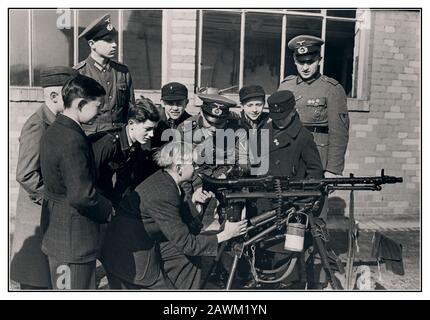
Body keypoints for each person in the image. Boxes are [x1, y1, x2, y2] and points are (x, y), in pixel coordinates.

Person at [100, 141, 247, 289]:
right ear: (179, 168)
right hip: (128, 252)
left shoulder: (168, 180)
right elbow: (187, 244)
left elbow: (183, 224)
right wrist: (225, 234)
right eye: (193, 164)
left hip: (144, 238)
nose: (196, 168)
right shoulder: (163, 193)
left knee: (190, 260)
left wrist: (195, 203)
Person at [39, 74, 114, 290]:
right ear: (81, 103)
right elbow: (82, 195)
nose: (100, 112)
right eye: (97, 106)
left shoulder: (55, 129)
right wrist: (108, 209)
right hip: (73, 242)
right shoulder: (72, 139)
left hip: (59, 232)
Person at [10, 66, 76, 290]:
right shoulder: (37, 124)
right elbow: (26, 174)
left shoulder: (57, 120)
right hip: (37, 217)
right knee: (35, 282)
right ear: (54, 96)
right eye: (70, 93)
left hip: (48, 217)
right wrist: (55, 199)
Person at [252, 90, 324, 289]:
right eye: (275, 117)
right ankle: (264, 283)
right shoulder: (264, 131)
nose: (279, 121)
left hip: (289, 204)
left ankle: (288, 286)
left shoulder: (303, 136)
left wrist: (302, 201)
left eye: (283, 117)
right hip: (264, 200)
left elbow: (315, 172)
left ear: (293, 111)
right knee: (262, 244)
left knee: (285, 250)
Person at [278, 35, 349, 178]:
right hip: (288, 157)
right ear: (294, 61)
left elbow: (339, 133)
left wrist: (333, 170)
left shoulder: (332, 88)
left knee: (313, 199)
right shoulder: (286, 86)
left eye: (310, 62)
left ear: (319, 60)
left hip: (316, 160)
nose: (305, 67)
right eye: (301, 62)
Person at [90, 97, 160, 206]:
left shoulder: (136, 146)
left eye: (154, 130)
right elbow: (89, 179)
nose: (152, 135)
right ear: (131, 124)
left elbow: (123, 181)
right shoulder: (109, 143)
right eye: (147, 129)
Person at [74, 14, 135, 133]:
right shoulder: (79, 73)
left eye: (114, 40)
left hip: (119, 137)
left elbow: (131, 109)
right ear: (92, 44)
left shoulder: (122, 71)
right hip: (92, 138)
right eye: (108, 40)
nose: (114, 45)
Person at [152, 82, 192, 148]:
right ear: (162, 103)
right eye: (170, 103)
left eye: (179, 103)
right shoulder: (153, 120)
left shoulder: (191, 122)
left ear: (186, 103)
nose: (175, 108)